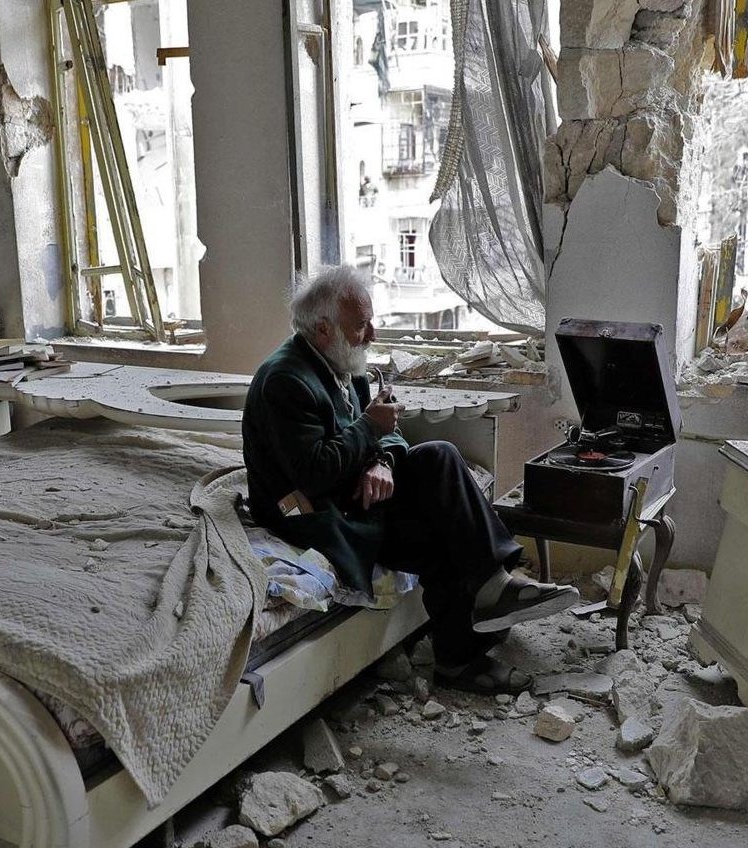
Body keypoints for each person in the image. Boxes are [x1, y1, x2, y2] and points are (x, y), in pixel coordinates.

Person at [242, 265, 579, 693]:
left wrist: (381, 460)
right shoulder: (285, 380)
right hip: (315, 512)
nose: (372, 336)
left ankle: (494, 588)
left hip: (354, 490)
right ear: (323, 329)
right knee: (440, 536)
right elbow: (313, 474)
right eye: (361, 326)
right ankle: (461, 657)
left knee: (440, 456)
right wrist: (369, 429)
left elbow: (393, 434)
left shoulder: (344, 364)